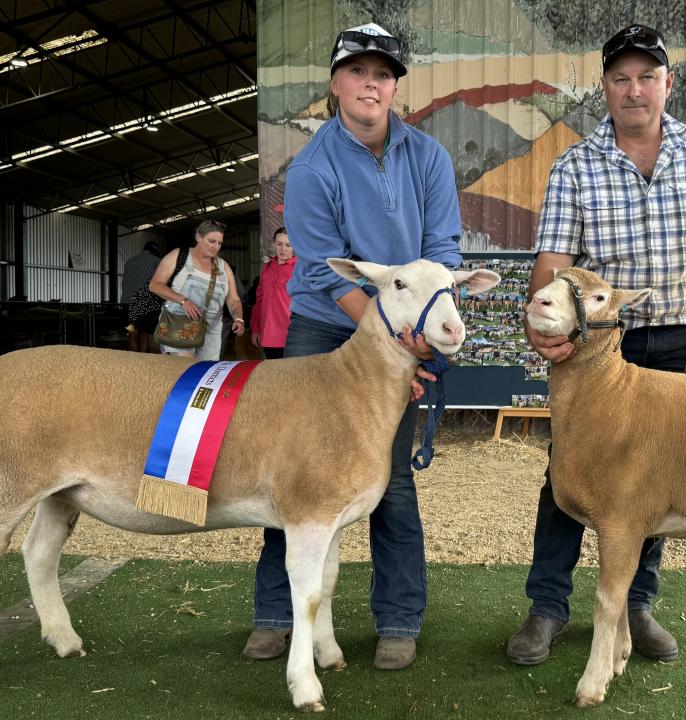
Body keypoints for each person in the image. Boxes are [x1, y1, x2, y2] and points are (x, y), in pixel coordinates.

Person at [506, 24, 686, 666]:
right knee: (567, 470)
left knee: (660, 477)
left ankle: (636, 605)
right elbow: (553, 264)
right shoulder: (574, 165)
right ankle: (547, 606)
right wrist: (545, 327)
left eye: (647, 77)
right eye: (621, 78)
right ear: (604, 88)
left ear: (667, 83)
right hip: (602, 349)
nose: (634, 89)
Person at [242, 22, 462, 671]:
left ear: (394, 85)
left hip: (407, 319)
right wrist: (390, 346)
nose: (371, 83)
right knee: (293, 472)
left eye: (383, 73)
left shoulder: (429, 159)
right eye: (358, 71)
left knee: (388, 474)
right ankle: (278, 613)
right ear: (336, 83)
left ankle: (397, 618)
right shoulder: (312, 168)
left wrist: (415, 339)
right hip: (325, 321)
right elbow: (317, 271)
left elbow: (444, 253)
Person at [147, 218, 245, 361]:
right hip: (179, 326)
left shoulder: (224, 267)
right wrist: (183, 300)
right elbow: (155, 285)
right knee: (184, 370)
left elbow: (234, 298)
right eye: (211, 241)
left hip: (211, 333)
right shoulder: (179, 255)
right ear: (198, 237)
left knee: (205, 375)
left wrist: (238, 318)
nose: (215, 247)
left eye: (219, 243)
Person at [251, 228, 296, 359]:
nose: (283, 249)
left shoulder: (300, 269)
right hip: (269, 335)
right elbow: (259, 302)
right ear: (273, 244)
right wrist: (255, 329)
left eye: (288, 245)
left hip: (292, 335)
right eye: (279, 244)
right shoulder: (266, 268)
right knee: (275, 376)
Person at [121, 240, 162, 352]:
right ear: (155, 251)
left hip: (126, 303)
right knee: (144, 332)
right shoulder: (156, 261)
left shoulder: (129, 261)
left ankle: (133, 360)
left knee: (131, 331)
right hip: (143, 303)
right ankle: (142, 359)